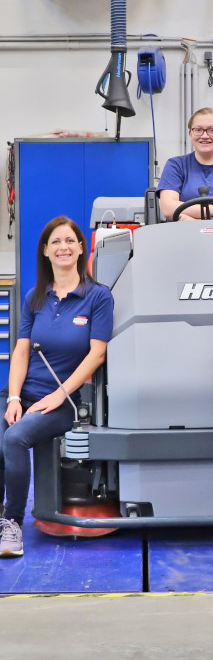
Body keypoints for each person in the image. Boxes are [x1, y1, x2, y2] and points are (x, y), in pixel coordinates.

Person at [0, 216, 113, 557]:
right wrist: (15, 397)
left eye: (69, 241)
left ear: (81, 248)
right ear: (46, 251)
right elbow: (21, 350)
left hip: (64, 403)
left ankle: (13, 523)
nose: (63, 247)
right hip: (27, 393)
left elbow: (97, 354)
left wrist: (57, 395)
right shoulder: (36, 296)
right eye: (56, 242)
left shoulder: (98, 298)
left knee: (15, 437)